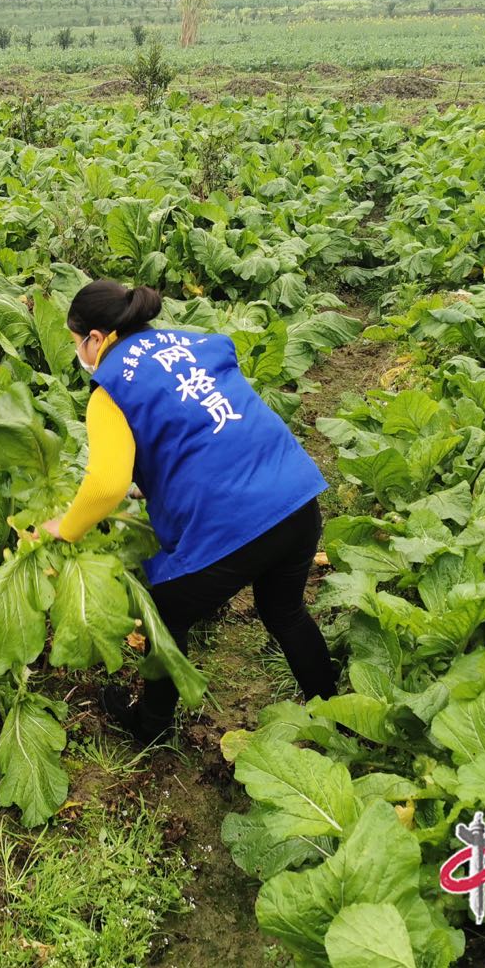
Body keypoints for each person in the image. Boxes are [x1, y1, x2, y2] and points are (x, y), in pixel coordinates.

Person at [41, 279, 339, 745]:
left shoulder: (110, 388)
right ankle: (336, 715)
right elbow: (200, 424)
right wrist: (157, 481)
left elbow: (104, 486)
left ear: (95, 338)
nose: (77, 350)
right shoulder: (192, 342)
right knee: (284, 611)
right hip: (295, 498)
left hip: (234, 526)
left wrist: (67, 528)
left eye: (75, 340)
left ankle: (150, 728)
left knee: (164, 611)